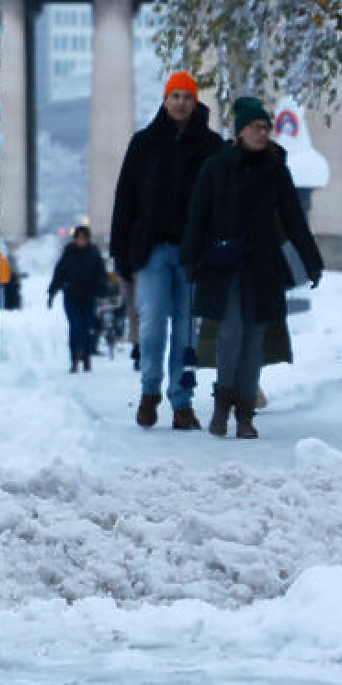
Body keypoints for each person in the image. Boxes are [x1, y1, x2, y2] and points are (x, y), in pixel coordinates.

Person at [181, 97, 324, 440]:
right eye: (256, 127)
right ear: (240, 131)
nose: (263, 133)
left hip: (263, 267)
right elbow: (198, 215)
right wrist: (190, 258)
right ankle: (221, 407)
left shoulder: (276, 169)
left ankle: (245, 413)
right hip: (225, 264)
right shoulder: (217, 167)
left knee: (255, 338)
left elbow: (293, 220)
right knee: (231, 334)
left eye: (266, 127)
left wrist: (312, 261)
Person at [110, 70, 225, 431]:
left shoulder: (211, 146)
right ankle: (149, 394)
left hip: (193, 255)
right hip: (151, 251)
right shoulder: (144, 144)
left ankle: (182, 402)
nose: (180, 102)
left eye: (186, 96)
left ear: (195, 102)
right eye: (174, 96)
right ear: (165, 100)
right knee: (153, 326)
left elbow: (222, 201)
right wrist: (120, 252)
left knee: (186, 333)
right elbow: (125, 199)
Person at [47, 225, 108, 373]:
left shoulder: (94, 255)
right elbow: (59, 274)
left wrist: (101, 288)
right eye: (78, 238)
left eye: (83, 238)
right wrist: (52, 292)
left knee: (86, 328)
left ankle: (86, 356)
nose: (81, 241)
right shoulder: (68, 254)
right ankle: (74, 358)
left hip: (88, 297)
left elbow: (101, 275)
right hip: (71, 296)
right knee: (75, 327)